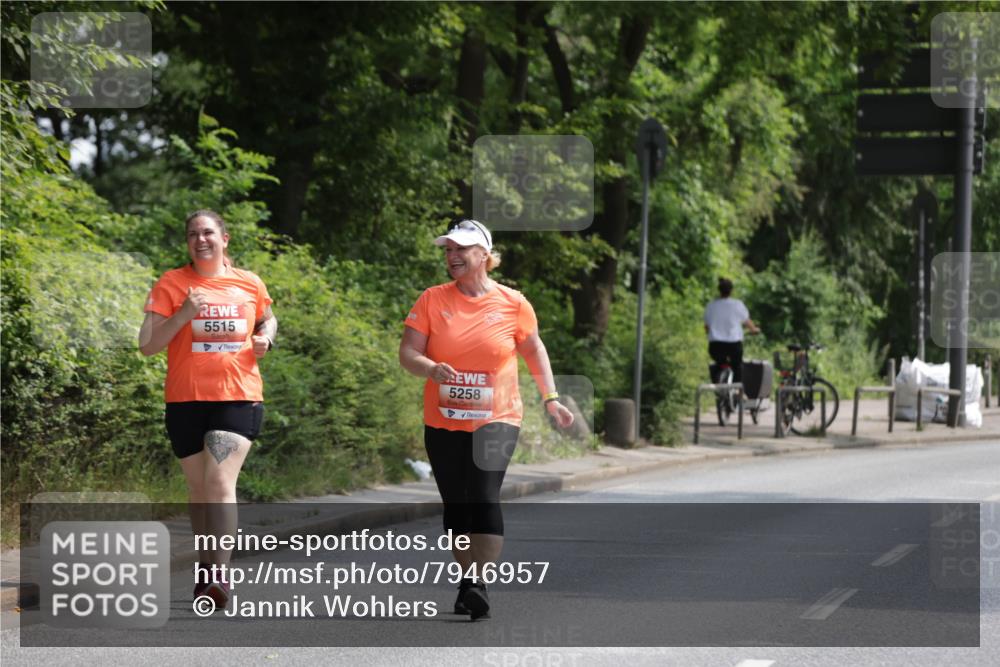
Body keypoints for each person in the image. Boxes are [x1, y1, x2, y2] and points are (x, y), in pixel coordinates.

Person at [399, 219, 573, 621]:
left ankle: (478, 582)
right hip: (443, 419)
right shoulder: (431, 299)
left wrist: (551, 398)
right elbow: (408, 352)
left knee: (482, 491)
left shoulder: (513, 304)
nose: (452, 256)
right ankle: (467, 580)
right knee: (456, 505)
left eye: (461, 249)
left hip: (498, 417)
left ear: (484, 255)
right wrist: (429, 368)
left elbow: (534, 351)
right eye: (448, 250)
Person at [139, 209, 276, 609]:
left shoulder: (248, 282)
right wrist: (184, 314)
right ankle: (204, 571)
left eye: (209, 232)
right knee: (199, 491)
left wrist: (266, 337)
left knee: (218, 483)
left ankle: (220, 574)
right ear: (187, 243)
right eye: (193, 234)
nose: (201, 240)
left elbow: (268, 319)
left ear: (224, 238)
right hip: (184, 401)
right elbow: (147, 345)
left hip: (237, 397)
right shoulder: (171, 283)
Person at [703, 277, 759, 385]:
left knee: (719, 364)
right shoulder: (737, 304)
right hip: (733, 345)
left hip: (716, 346)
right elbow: (747, 322)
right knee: (737, 366)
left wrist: (711, 333)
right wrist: (754, 329)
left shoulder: (711, 306)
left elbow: (707, 327)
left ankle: (718, 387)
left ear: (719, 290)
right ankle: (739, 393)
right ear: (731, 290)